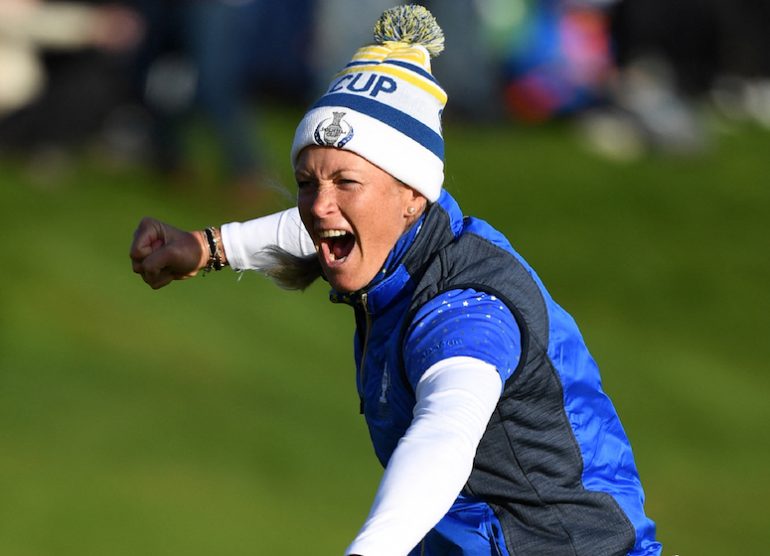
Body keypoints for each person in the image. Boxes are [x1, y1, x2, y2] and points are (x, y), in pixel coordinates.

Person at [130, 5, 661, 555]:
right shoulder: (397, 239)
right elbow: (314, 224)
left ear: (412, 194)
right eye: (307, 182)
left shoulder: (466, 307)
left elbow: (443, 434)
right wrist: (207, 247)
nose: (319, 206)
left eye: (347, 181)